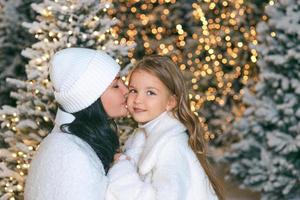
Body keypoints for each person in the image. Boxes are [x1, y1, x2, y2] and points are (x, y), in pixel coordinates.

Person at [106, 55, 224, 200]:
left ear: (171, 102)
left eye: (150, 92)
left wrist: (121, 169)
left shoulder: (171, 146)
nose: (137, 100)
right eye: (133, 90)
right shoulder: (142, 135)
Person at [24, 48, 128, 200]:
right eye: (116, 85)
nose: (126, 90)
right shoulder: (73, 157)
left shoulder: (64, 144)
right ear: (90, 97)